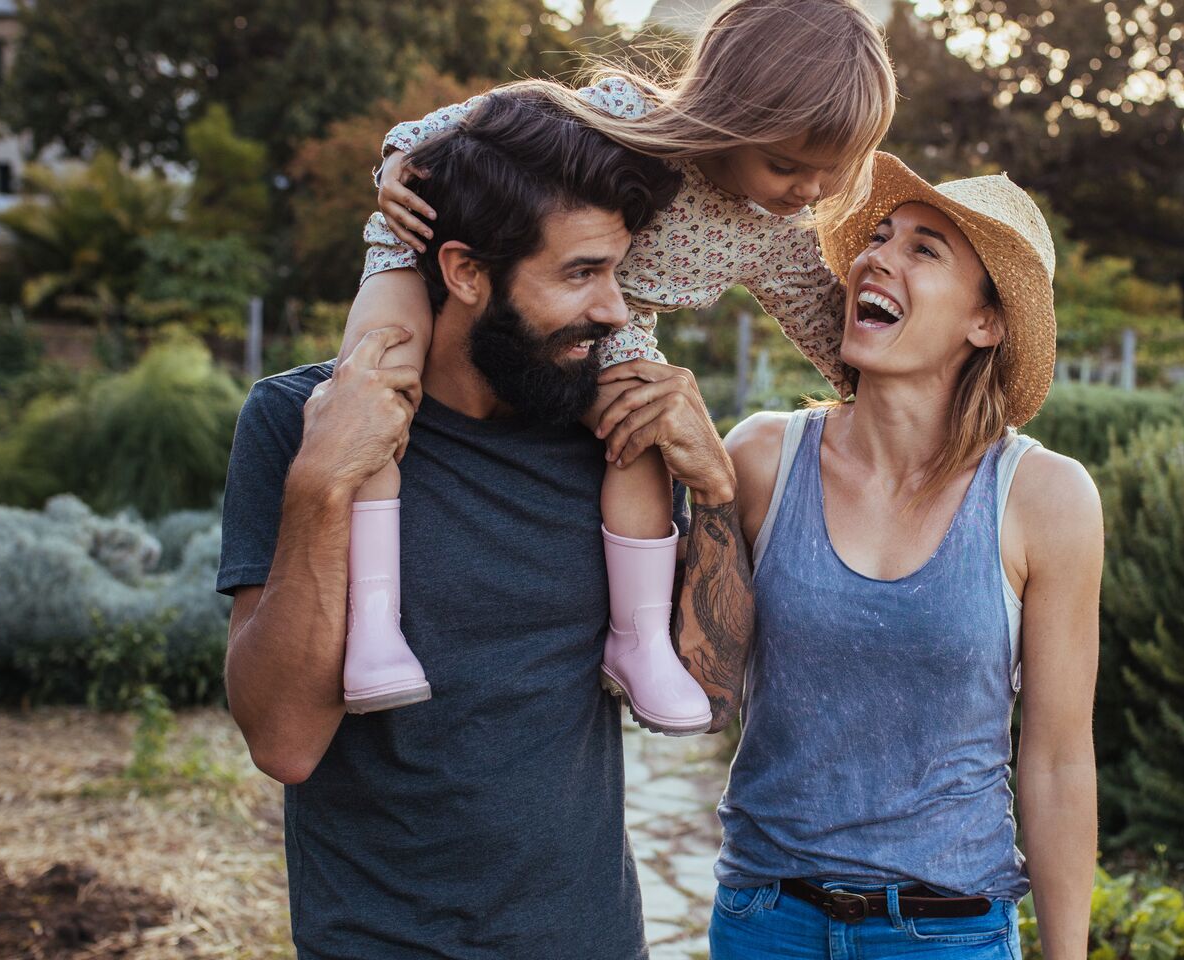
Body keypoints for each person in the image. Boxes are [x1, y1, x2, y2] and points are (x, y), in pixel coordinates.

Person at [214, 89, 755, 959]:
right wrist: (322, 480)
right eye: (580, 274)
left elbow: (711, 696)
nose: (615, 310)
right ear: (465, 272)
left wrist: (717, 491)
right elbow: (284, 742)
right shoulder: (292, 421)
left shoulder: (610, 434)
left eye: (616, 271)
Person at [336, 0, 896, 734]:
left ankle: (635, 642)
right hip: (432, 254)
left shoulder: (775, 233)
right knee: (377, 384)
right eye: (786, 164)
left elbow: (827, 329)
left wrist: (906, 385)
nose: (809, 191)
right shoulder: (621, 117)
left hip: (604, 326)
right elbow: (458, 126)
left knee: (640, 423)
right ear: (726, 115)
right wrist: (398, 169)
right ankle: (372, 624)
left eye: (833, 172)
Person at [683, 153, 1103, 958]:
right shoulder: (764, 460)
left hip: (947, 933)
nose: (878, 257)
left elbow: (1055, 760)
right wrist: (701, 490)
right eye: (879, 236)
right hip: (767, 921)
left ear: (986, 323)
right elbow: (698, 689)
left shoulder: (1045, 500)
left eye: (925, 249)